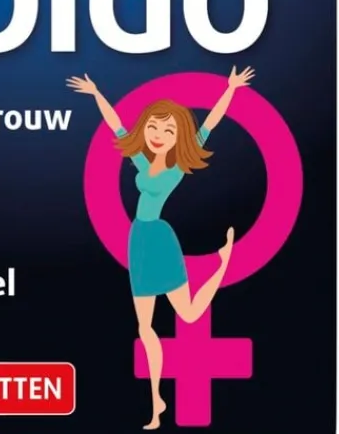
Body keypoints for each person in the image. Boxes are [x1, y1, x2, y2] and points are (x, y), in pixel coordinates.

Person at [66, 66, 255, 429]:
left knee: (189, 314)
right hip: (138, 239)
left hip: (160, 240)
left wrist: (230, 89)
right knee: (145, 327)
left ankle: (223, 263)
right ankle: (156, 402)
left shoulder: (177, 169)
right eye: (154, 127)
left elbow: (208, 126)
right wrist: (96, 93)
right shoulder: (140, 161)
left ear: (178, 138)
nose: (158, 135)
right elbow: (116, 126)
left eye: (168, 131)